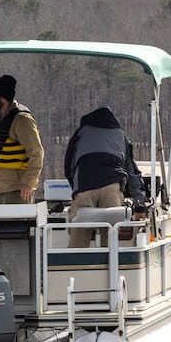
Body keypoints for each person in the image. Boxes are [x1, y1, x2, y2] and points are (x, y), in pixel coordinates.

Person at [64, 106, 144, 248]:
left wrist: (76, 190)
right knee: (110, 239)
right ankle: (112, 268)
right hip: (112, 188)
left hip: (85, 186)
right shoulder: (120, 135)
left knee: (78, 243)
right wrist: (140, 205)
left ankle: (76, 267)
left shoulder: (81, 133)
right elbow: (132, 172)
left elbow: (68, 168)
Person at [0, 74, 44, 205]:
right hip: (1, 189)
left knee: (15, 226)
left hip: (19, 190)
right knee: (1, 225)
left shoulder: (22, 120)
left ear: (3, 98)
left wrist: (29, 182)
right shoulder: (2, 120)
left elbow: (37, 153)